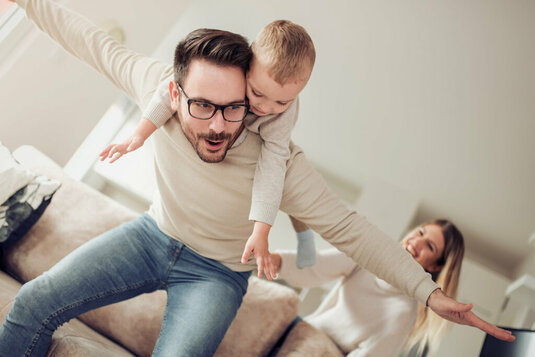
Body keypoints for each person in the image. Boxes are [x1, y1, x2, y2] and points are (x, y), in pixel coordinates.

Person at [0, 0, 514, 356]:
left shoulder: (281, 158)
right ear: (175, 94)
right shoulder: (157, 88)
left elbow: (353, 231)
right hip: (153, 235)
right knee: (34, 301)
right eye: (204, 106)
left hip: (217, 275)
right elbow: (89, 42)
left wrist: (428, 294)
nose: (221, 124)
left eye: (238, 109)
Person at [99, 20, 319, 278]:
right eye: (257, 93)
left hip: (276, 151)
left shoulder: (280, 117)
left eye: (282, 101)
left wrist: (261, 232)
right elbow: (166, 95)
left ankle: (305, 237)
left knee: (287, 183)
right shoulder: (230, 76)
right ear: (249, 68)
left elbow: (272, 168)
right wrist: (139, 135)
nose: (266, 107)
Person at [271, 217, 465, 356]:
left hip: (322, 351)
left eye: (430, 246)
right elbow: (316, 267)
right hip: (302, 330)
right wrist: (272, 260)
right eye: (420, 232)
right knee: (273, 301)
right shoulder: (371, 254)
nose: (417, 242)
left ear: (435, 266)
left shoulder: (402, 312)